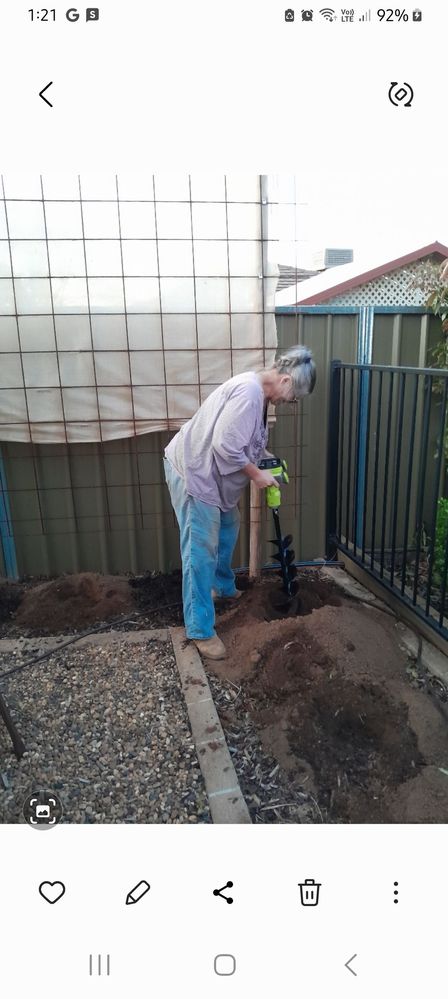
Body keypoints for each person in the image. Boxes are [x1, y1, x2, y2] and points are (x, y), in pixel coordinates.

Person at [163, 345, 316, 659]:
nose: (291, 403)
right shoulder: (248, 394)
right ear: (287, 382)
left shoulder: (259, 398)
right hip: (196, 472)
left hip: (214, 478)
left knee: (229, 525)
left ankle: (221, 585)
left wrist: (270, 462)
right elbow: (225, 447)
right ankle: (200, 629)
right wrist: (256, 476)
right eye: (295, 397)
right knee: (200, 550)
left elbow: (250, 444)